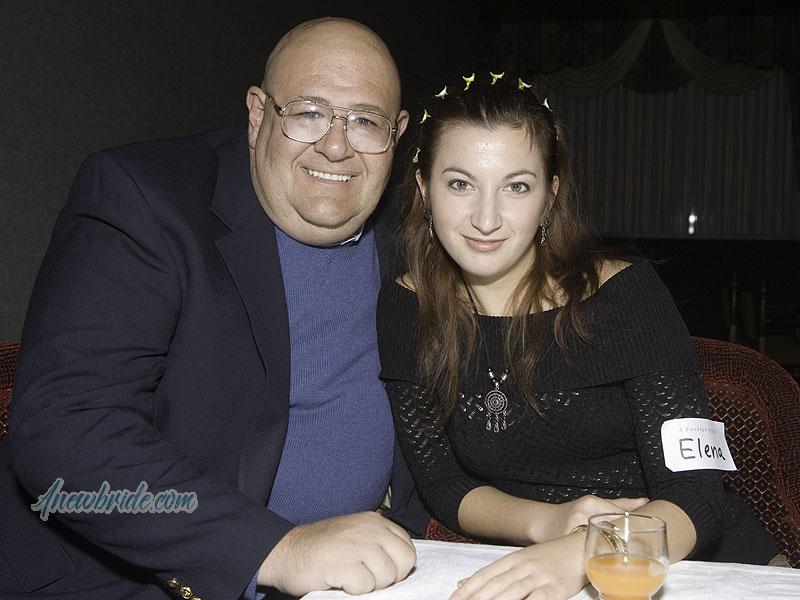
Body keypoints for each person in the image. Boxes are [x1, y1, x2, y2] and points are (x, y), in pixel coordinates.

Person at [1, 17, 429, 600]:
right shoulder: (145, 199)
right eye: (307, 112)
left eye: (365, 121)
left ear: (396, 134)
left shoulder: (414, 230)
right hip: (126, 580)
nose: (336, 145)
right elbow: (65, 431)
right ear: (257, 115)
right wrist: (273, 549)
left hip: (368, 577)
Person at [377, 75, 777, 599]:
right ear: (425, 190)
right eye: (460, 184)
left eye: (516, 187)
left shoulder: (626, 295)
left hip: (691, 562)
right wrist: (549, 523)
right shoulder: (407, 307)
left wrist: (593, 549)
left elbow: (698, 494)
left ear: (550, 197)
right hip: (535, 558)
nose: (486, 218)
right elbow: (443, 483)